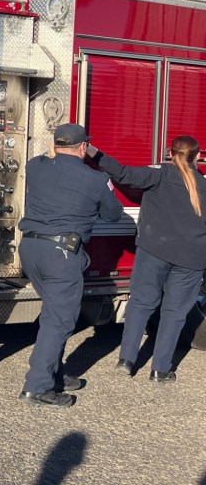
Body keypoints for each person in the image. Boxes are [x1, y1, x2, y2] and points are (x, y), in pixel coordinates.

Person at [17, 123, 123, 407]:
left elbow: (46, 156)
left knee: (54, 313)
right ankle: (37, 386)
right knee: (60, 319)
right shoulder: (94, 179)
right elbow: (114, 214)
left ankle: (54, 374)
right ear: (84, 147)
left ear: (55, 145)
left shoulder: (36, 166)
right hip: (61, 253)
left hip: (30, 249)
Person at [88, 136, 206, 382]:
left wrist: (92, 152)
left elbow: (121, 173)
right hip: (191, 260)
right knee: (174, 313)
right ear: (197, 157)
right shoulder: (203, 185)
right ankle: (160, 370)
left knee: (141, 304)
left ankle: (126, 361)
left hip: (153, 252)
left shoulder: (158, 175)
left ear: (170, 153)